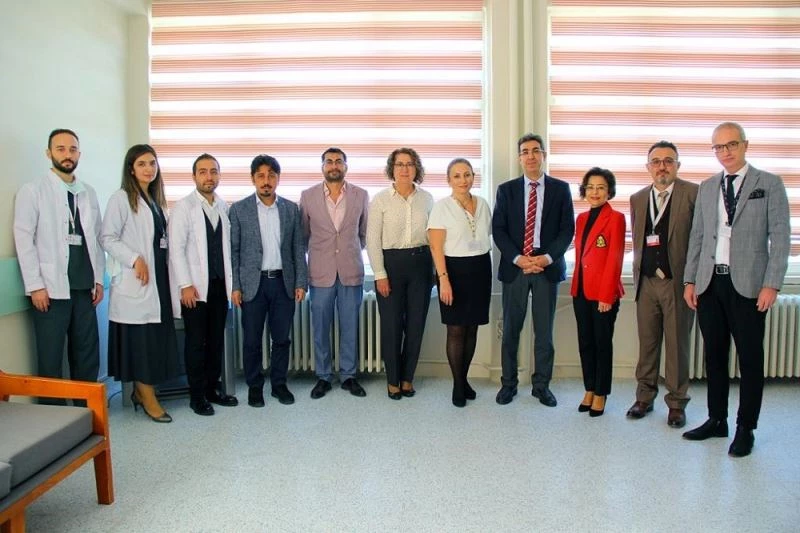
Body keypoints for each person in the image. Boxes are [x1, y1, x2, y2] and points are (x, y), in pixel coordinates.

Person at [683, 122, 790, 457]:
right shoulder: (707, 187)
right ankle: (717, 420)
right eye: (719, 147)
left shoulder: (769, 184)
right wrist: (690, 280)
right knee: (714, 356)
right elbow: (698, 237)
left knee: (750, 358)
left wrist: (771, 284)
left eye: (731, 144)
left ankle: (746, 427)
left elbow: (781, 238)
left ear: (745, 145)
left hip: (749, 286)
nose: (725, 152)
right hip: (710, 283)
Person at [13, 129, 105, 406]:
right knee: (51, 357)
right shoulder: (33, 190)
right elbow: (23, 239)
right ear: (49, 153)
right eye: (61, 149)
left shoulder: (87, 192)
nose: (67, 155)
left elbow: (96, 240)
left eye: (72, 149)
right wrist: (35, 286)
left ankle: (87, 412)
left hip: (84, 289)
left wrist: (98, 280)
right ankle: (54, 417)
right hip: (50, 291)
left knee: (86, 355)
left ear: (79, 154)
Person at [492, 133, 575, 406]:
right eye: (525, 151)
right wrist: (518, 258)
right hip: (515, 268)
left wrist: (547, 258)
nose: (530, 156)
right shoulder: (506, 190)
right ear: (519, 158)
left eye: (535, 150)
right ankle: (508, 385)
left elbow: (567, 230)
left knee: (544, 333)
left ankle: (541, 386)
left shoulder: (561, 189)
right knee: (510, 330)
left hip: (546, 269)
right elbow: (499, 230)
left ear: (543, 155)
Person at [102, 144, 180, 423]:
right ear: (131, 169)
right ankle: (147, 397)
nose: (149, 169)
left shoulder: (156, 201)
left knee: (154, 341)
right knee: (142, 344)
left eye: (152, 163)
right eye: (142, 164)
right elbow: (107, 237)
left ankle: (142, 391)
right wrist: (135, 259)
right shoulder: (121, 198)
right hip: (137, 280)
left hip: (158, 281)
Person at [628, 141, 698, 428]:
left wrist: (693, 280)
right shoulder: (637, 198)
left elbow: (700, 240)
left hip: (677, 283)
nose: (662, 166)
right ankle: (644, 397)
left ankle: (677, 403)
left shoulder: (693, 194)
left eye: (668, 161)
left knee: (677, 345)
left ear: (677, 165)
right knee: (647, 344)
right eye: (656, 161)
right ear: (648, 167)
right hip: (646, 283)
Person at [229, 154, 307, 408]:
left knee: (281, 338)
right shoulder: (238, 209)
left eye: (271, 175)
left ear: (278, 179)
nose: (266, 181)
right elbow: (234, 251)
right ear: (253, 179)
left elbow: (298, 248)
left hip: (283, 283)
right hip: (253, 285)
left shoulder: (290, 209)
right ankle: (255, 387)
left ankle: (279, 385)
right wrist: (236, 286)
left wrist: (300, 282)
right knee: (251, 340)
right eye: (261, 176)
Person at [168, 153, 239, 416]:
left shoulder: (223, 207)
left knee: (216, 341)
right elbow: (176, 250)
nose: (209, 177)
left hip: (219, 287)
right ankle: (197, 396)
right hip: (195, 289)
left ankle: (212, 390)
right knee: (196, 343)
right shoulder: (183, 208)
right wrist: (185, 284)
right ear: (194, 176)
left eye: (213, 171)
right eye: (203, 172)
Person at [300, 148, 369, 399]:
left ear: (346, 166)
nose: (334, 165)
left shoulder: (361, 195)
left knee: (350, 326)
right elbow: (304, 236)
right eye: (329, 162)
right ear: (322, 167)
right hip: (320, 272)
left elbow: (363, 234)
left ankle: (349, 376)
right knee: (320, 327)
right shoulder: (307, 196)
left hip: (351, 270)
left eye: (339, 161)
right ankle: (323, 376)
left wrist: (347, 252)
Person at [366, 148, 434, 400]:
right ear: (391, 169)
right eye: (399, 164)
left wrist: (437, 271)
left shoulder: (427, 199)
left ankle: (407, 379)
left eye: (410, 164)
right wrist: (380, 274)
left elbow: (434, 236)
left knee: (416, 325)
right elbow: (372, 239)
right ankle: (393, 380)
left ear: (417, 168)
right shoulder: (381, 200)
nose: (405, 169)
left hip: (421, 265)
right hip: (391, 267)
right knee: (392, 325)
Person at [427, 158, 491, 407]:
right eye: (457, 176)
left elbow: (484, 236)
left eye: (467, 175)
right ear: (448, 180)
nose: (463, 180)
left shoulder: (483, 204)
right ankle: (457, 385)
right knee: (455, 329)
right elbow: (436, 247)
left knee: (472, 328)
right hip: (453, 270)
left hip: (480, 268)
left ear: (473, 177)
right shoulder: (441, 207)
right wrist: (443, 280)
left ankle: (464, 380)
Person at [570, 168, 625, 417]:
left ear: (609, 191)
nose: (595, 192)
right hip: (581, 290)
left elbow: (615, 259)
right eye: (590, 187)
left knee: (602, 344)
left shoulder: (616, 218)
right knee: (585, 342)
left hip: (603, 294)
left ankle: (601, 392)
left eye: (601, 187)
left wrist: (606, 296)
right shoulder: (581, 218)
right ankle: (589, 388)